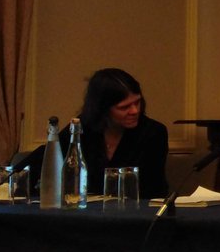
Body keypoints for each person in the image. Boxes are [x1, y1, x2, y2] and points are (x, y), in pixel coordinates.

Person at [53, 67, 170, 199]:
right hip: (87, 209)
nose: (135, 111)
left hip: (138, 208)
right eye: (124, 107)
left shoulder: (153, 132)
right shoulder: (81, 129)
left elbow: (153, 188)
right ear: (103, 109)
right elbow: (49, 166)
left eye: (137, 102)